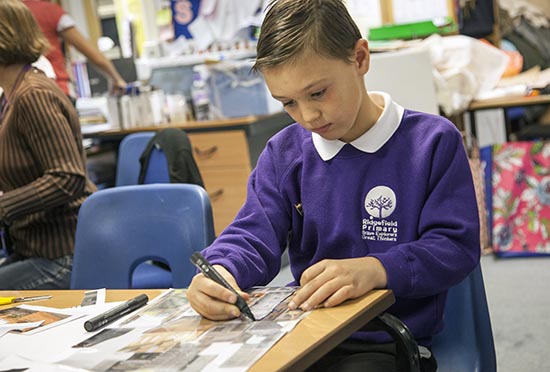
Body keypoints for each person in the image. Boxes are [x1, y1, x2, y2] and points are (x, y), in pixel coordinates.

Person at [186, 0, 480, 371]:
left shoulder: (432, 142)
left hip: (386, 341)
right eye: (288, 103)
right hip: (303, 335)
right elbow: (252, 234)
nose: (307, 116)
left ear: (359, 59)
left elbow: (454, 247)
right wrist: (222, 271)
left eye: (318, 93)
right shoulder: (284, 153)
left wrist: (377, 269)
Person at [0, 0, 97, 289]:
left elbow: (67, 177)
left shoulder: (33, 95)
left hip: (62, 254)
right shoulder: (12, 96)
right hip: (34, 248)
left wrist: (3, 206)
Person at [22, 0, 127, 99]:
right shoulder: (50, 11)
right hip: (56, 90)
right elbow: (91, 53)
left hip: (21, 94)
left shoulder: (11, 15)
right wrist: (116, 78)